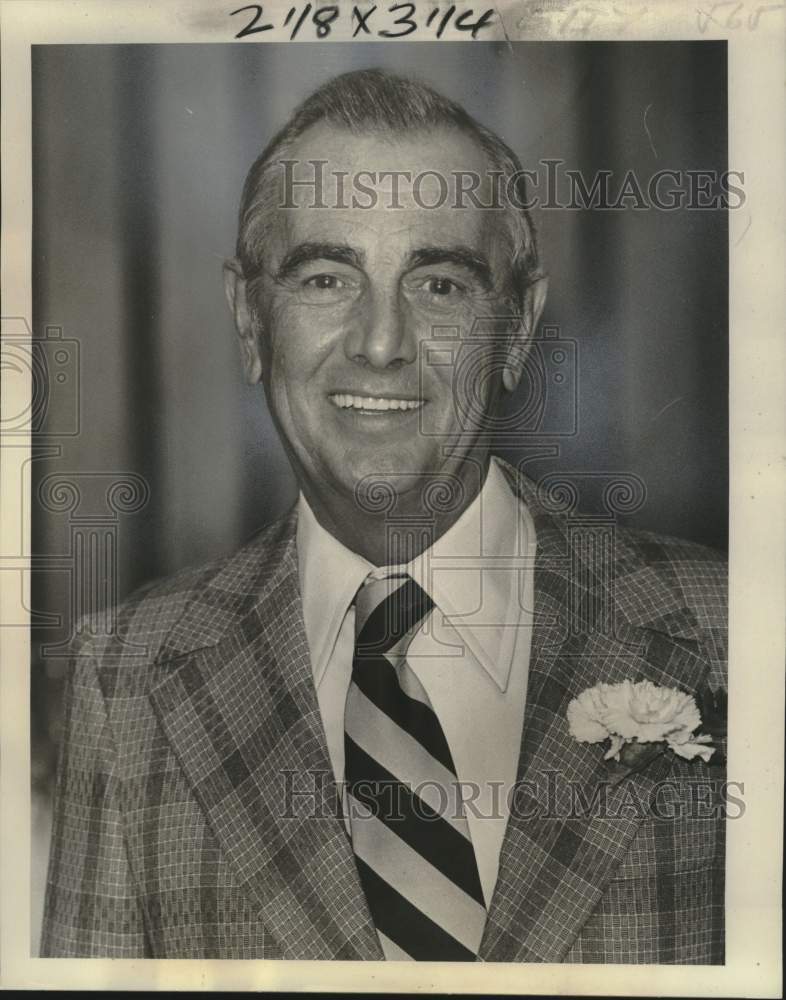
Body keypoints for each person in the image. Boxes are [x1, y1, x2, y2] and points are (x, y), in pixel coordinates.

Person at [40, 68, 727, 963]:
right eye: (326, 277)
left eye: (439, 285)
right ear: (250, 319)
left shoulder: (724, 632)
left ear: (517, 325)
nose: (380, 342)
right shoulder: (123, 680)